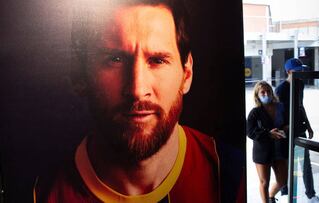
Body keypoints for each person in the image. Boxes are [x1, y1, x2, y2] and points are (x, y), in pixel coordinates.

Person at [33, 0, 244, 202]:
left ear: (186, 74)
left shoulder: (232, 177)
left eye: (157, 60)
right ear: (80, 75)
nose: (137, 90)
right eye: (115, 59)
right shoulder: (39, 192)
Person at [275, 58, 319, 203]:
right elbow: (276, 112)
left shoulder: (300, 85)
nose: (301, 72)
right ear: (289, 72)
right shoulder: (281, 89)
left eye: (302, 69)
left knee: (305, 164)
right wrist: (283, 128)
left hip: (299, 129)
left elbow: (301, 106)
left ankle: (311, 195)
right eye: (298, 70)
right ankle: (285, 194)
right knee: (287, 165)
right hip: (286, 133)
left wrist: (308, 125)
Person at [247, 81, 289, 203]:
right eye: (263, 92)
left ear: (272, 92)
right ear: (257, 95)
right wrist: (268, 134)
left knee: (282, 181)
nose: (266, 94)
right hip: (263, 151)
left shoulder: (281, 107)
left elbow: (287, 121)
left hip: (280, 149)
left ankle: (271, 196)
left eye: (268, 91)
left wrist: (286, 127)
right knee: (264, 182)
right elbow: (250, 132)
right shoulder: (255, 112)